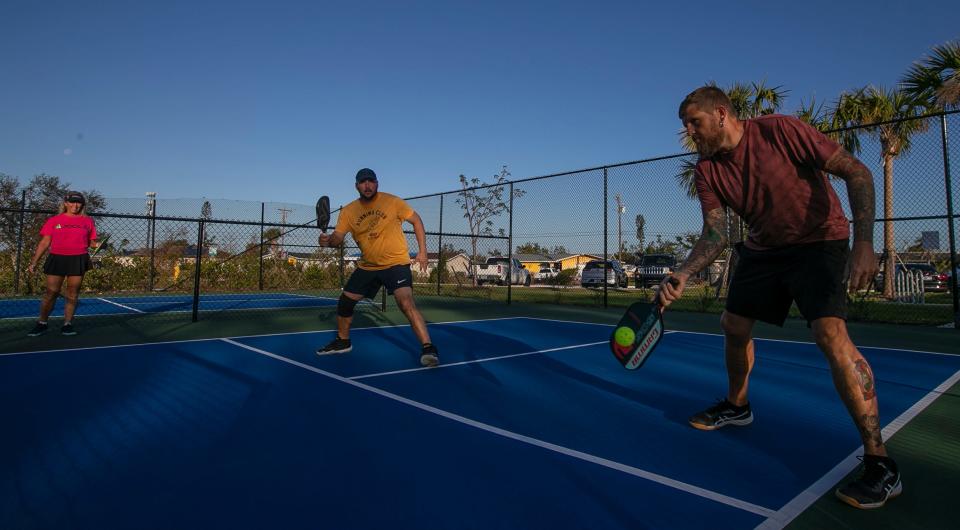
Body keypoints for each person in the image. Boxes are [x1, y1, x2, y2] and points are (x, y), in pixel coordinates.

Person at [659, 86, 899, 509]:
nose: (690, 132)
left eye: (694, 123)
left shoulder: (780, 131)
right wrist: (683, 273)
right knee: (732, 325)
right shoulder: (707, 170)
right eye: (686, 126)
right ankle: (738, 405)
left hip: (819, 242)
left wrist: (865, 244)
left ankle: (880, 462)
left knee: (830, 334)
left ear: (720, 114)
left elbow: (857, 172)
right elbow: (715, 232)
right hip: (764, 249)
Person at [316, 168, 439, 367]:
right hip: (368, 266)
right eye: (363, 182)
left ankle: (428, 349)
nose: (367, 185)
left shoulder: (392, 202)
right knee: (345, 302)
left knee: (405, 302)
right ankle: (343, 342)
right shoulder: (348, 211)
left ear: (377, 183)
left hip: (396, 263)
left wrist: (422, 251)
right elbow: (337, 239)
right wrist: (328, 241)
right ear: (356, 186)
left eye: (371, 181)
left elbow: (416, 220)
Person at [26, 191, 99, 336]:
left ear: (82, 205)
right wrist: (34, 262)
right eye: (72, 202)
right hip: (57, 258)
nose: (75, 205)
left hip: (78, 258)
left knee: (72, 293)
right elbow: (45, 242)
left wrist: (99, 245)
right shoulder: (54, 220)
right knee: (51, 293)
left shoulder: (88, 221)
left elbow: (91, 243)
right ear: (66, 203)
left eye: (78, 202)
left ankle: (67, 324)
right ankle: (42, 323)